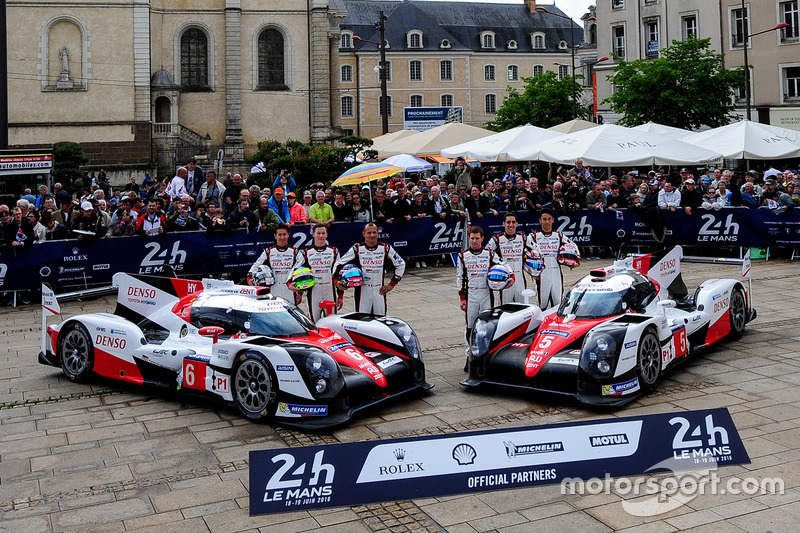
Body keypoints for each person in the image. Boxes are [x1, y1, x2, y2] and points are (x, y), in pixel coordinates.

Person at [334, 222, 405, 315]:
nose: (372, 235)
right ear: (363, 233)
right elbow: (338, 264)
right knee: (362, 322)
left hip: (379, 291)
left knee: (380, 321)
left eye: (374, 232)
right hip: (362, 291)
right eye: (369, 233)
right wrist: (336, 280)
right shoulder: (357, 248)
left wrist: (392, 284)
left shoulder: (385, 248)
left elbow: (401, 264)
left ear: (378, 233)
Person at [457, 226, 504, 366]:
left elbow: (503, 265)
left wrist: (511, 276)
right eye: (472, 238)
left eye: (477, 238)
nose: (475, 241)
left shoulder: (489, 253)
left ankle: (486, 355)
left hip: (486, 293)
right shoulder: (463, 255)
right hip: (471, 293)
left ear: (482, 239)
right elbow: (460, 277)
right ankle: (469, 356)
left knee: (487, 326)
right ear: (469, 238)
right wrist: (462, 297)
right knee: (470, 327)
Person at [527, 208, 579, 309]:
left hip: (556, 273)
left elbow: (573, 246)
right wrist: (531, 271)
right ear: (540, 220)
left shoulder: (558, 235)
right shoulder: (533, 236)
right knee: (542, 304)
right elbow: (525, 255)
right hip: (542, 274)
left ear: (553, 220)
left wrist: (576, 260)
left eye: (549, 219)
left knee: (558, 303)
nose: (547, 222)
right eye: (544, 219)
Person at [293, 224, 342, 322]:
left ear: (327, 235)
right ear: (313, 234)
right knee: (314, 320)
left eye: (323, 233)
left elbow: (338, 274)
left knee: (332, 321)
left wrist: (340, 296)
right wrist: (299, 293)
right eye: (318, 233)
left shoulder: (334, 251)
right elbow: (300, 274)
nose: (321, 236)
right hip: (313, 291)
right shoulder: (306, 252)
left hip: (330, 291)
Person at [487, 212, 539, 304]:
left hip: (520, 279)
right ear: (504, 224)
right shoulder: (497, 239)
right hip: (505, 279)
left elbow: (538, 250)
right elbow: (486, 253)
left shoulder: (523, 238)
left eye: (513, 222)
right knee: (505, 309)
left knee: (522, 309)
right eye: (508, 222)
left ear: (517, 224)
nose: (511, 225)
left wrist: (538, 268)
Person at [248, 223, 302, 305]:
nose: (282, 237)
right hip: (273, 288)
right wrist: (249, 276)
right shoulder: (268, 251)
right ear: (275, 236)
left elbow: (301, 271)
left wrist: (300, 292)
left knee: (290, 315)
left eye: (284, 234)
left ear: (288, 235)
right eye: (279, 235)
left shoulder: (295, 252)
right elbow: (257, 264)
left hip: (289, 289)